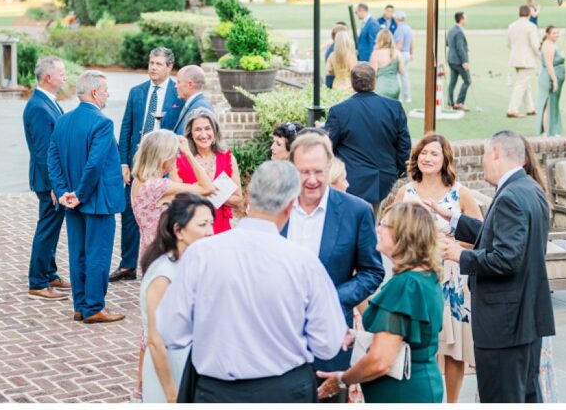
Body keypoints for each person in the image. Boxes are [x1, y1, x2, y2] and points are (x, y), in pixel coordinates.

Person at [156, 161, 347, 403]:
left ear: (249, 196)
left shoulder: (201, 254)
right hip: (284, 390)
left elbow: (171, 331)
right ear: (291, 205)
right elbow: (328, 344)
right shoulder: (303, 263)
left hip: (217, 391)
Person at [437, 130, 555, 403]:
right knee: (524, 394)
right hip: (525, 317)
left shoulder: (510, 196)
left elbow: (507, 258)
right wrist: (456, 220)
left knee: (502, 398)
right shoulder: (529, 188)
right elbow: (499, 233)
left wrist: (460, 256)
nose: (482, 162)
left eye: (484, 155)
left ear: (496, 153)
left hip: (505, 323)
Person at [285, 134, 385, 401]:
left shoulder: (357, 211)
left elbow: (372, 272)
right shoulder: (275, 207)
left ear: (330, 166)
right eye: (304, 172)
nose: (312, 179)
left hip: (329, 338)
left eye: (318, 171)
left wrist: (330, 299)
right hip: (276, 337)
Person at [316, 202, 445, 403]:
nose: (378, 229)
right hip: (420, 385)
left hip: (403, 393)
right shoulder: (424, 277)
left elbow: (380, 360)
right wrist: (356, 335)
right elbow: (399, 334)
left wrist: (342, 380)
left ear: (403, 235)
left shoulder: (405, 286)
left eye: (384, 224)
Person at [393, 133, 482, 403]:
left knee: (453, 349)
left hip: (451, 279)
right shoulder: (405, 192)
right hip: (415, 276)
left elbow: (481, 236)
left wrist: (453, 247)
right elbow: (391, 233)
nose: (427, 158)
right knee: (423, 343)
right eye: (423, 153)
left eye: (434, 153)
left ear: (445, 159)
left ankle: (452, 403)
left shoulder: (460, 193)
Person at [48, 70, 126, 324]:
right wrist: (79, 194)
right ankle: (94, 307)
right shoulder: (102, 123)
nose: (107, 95)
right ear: (94, 93)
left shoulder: (63, 121)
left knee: (78, 253)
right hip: (97, 201)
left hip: (72, 202)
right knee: (98, 255)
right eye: (105, 91)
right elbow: (94, 165)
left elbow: (53, 161)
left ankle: (80, 305)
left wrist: (63, 193)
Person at [140, 194, 216, 403]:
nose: (210, 232)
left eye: (211, 223)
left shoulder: (194, 264)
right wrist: (173, 395)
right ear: (178, 230)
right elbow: (156, 342)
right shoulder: (163, 274)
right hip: (168, 370)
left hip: (193, 366)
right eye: (202, 224)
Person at [114, 47, 180, 283]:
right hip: (137, 162)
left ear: (169, 67)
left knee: (162, 212)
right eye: (151, 62)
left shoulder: (177, 93)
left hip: (163, 163)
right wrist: (123, 161)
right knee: (130, 211)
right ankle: (127, 265)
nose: (153, 67)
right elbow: (126, 127)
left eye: (159, 64)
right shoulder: (137, 92)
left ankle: (160, 260)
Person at [325, 63, 412, 214]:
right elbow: (404, 145)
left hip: (352, 179)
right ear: (375, 81)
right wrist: (397, 170)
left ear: (352, 83)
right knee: (371, 222)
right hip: (383, 179)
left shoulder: (339, 111)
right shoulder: (394, 107)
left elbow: (328, 147)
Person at [23, 56, 70, 301]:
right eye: (62, 73)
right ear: (48, 77)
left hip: (51, 180)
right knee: (47, 229)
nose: (65, 77)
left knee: (51, 228)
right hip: (48, 182)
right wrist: (55, 186)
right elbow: (43, 153)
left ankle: (50, 273)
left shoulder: (47, 102)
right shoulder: (39, 108)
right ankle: (38, 281)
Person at [132, 129, 214, 262]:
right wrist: (187, 153)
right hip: (165, 251)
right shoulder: (159, 186)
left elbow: (175, 187)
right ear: (164, 156)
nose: (177, 156)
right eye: (175, 153)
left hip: (150, 249)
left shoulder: (141, 180)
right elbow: (207, 188)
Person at [520, 138, 558, 403]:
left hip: (525, 301)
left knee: (527, 380)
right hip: (534, 299)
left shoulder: (520, 195)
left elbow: (511, 255)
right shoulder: (534, 190)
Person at [175, 108, 243, 233]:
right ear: (190, 134)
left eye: (207, 128)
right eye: (197, 129)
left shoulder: (228, 158)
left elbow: (238, 200)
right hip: (192, 230)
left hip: (222, 229)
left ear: (215, 131)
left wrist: (213, 194)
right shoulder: (180, 161)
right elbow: (175, 201)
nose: (203, 135)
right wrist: (203, 192)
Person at [507, 4, 540, 118]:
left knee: (525, 83)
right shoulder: (531, 26)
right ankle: (512, 109)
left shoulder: (511, 25)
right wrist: (540, 55)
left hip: (515, 58)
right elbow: (535, 45)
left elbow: (509, 44)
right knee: (522, 84)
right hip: (526, 59)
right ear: (530, 14)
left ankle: (530, 108)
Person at [537, 26, 566, 136]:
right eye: (554, 33)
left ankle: (553, 130)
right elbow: (549, 64)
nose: (557, 35)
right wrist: (554, 80)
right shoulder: (548, 45)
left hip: (555, 77)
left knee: (553, 104)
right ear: (547, 34)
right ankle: (547, 132)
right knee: (548, 104)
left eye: (558, 32)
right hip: (550, 78)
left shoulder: (551, 44)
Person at [168, 65, 214, 134]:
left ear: (190, 84)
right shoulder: (194, 104)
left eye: (178, 82)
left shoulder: (199, 107)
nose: (175, 86)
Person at [370, 28, 404, 100]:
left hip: (381, 87)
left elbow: (372, 74)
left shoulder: (376, 53)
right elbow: (402, 72)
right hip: (395, 87)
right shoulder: (397, 53)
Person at [446, 11, 471, 111]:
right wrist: (465, 61)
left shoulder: (451, 29)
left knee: (452, 82)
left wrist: (466, 48)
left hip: (451, 59)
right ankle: (459, 103)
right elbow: (460, 48)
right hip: (458, 61)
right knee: (467, 80)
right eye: (465, 18)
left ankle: (450, 103)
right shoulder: (459, 31)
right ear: (461, 19)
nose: (466, 19)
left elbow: (448, 43)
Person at [392, 11, 414, 103]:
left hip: (400, 54)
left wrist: (393, 55)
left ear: (397, 18)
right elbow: (412, 43)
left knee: (397, 75)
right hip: (407, 53)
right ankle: (407, 97)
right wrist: (411, 54)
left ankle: (399, 97)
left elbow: (400, 44)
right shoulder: (408, 28)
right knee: (405, 76)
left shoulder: (399, 29)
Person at [324, 23, 350, 89]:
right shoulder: (335, 51)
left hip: (335, 83)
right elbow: (329, 71)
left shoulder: (332, 49)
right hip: (335, 82)